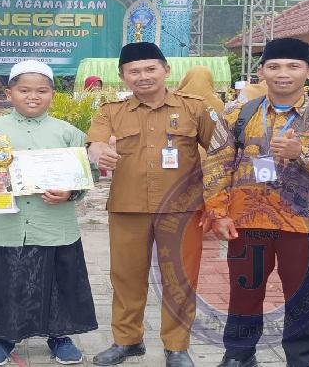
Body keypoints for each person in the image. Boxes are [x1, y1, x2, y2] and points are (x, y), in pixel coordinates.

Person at [202, 37, 309, 367]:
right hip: (247, 222)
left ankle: (300, 360)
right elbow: (217, 164)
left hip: (305, 224)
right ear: (262, 72)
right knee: (245, 291)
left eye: (293, 66)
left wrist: (302, 153)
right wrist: (218, 213)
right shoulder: (236, 114)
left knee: (303, 296)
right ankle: (239, 355)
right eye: (274, 66)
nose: (283, 73)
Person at [0, 59, 97, 366]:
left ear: (52, 94)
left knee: (58, 281)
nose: (33, 96)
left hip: (54, 224)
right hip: (5, 225)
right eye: (24, 90)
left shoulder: (69, 133)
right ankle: (1, 337)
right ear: (10, 93)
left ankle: (59, 336)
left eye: (42, 91)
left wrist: (71, 192)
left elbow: (88, 173)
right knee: (4, 280)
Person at [86, 42, 216, 367]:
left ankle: (177, 347)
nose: (143, 76)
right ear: (122, 76)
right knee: (126, 277)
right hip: (127, 207)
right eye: (134, 71)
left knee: (179, 278)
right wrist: (99, 152)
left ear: (165, 70)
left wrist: (217, 199)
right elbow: (95, 142)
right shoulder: (111, 111)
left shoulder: (194, 108)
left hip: (182, 210)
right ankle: (127, 341)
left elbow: (220, 150)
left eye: (150, 69)